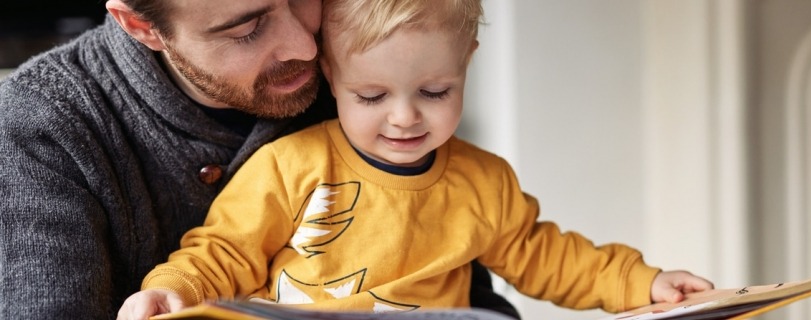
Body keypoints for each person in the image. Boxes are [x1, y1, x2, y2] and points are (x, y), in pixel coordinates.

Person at [117, 0, 715, 318]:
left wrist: (645, 283)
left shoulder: (484, 182)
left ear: (467, 65)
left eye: (435, 92)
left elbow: (544, 255)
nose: (405, 118)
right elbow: (226, 252)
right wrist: (175, 289)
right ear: (329, 74)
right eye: (371, 97)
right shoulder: (291, 164)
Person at [0, 0, 512, 318]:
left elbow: (461, 275)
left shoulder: (363, 69)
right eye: (246, 29)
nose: (304, 47)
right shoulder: (40, 126)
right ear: (142, 26)